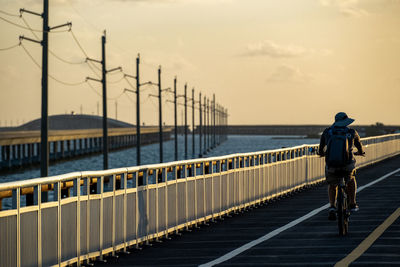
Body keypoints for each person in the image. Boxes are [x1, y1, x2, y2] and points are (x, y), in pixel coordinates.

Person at [318, 112, 365, 221]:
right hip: (347, 165)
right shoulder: (351, 132)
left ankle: (332, 206)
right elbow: (359, 145)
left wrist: (321, 153)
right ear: (346, 121)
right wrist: (361, 152)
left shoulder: (327, 132)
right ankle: (352, 203)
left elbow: (321, 148)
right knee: (351, 179)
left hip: (332, 166)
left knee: (332, 184)